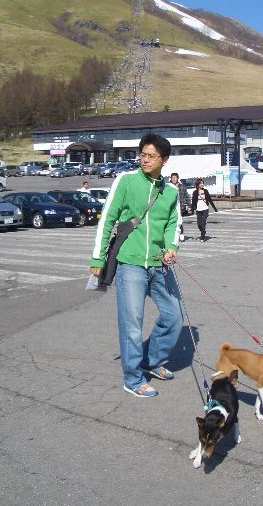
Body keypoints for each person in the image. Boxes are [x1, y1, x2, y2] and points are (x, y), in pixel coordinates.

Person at [89, 133, 183, 399]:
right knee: (132, 324)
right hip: (130, 264)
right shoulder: (126, 181)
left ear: (164, 160)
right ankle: (132, 378)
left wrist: (172, 247)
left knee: (174, 316)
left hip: (159, 264)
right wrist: (97, 258)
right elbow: (107, 219)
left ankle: (152, 360)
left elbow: (173, 223)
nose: (145, 159)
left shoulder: (171, 191)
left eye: (151, 156)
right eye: (143, 154)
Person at [170, 172, 190, 241]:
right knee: (172, 221)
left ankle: (181, 233)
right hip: (171, 207)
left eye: (175, 178)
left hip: (180, 206)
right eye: (172, 178)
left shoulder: (182, 186)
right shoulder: (169, 187)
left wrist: (189, 205)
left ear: (177, 178)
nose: (173, 179)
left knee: (179, 221)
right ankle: (173, 234)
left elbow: (186, 196)